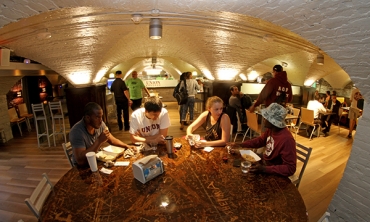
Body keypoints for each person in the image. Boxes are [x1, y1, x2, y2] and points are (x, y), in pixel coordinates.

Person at [69, 102, 135, 166]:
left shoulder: (99, 124)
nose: (101, 121)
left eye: (101, 117)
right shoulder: (76, 132)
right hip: (81, 167)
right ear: (87, 118)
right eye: (97, 117)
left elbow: (112, 140)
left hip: (96, 159)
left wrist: (127, 146)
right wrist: (99, 141)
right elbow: (81, 161)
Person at [241, 103, 296, 177]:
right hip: (266, 163)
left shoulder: (287, 140)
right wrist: (241, 144)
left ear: (273, 122)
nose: (263, 119)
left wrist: (264, 169)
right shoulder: (271, 129)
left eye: (266, 118)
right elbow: (260, 140)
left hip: (274, 174)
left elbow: (290, 168)